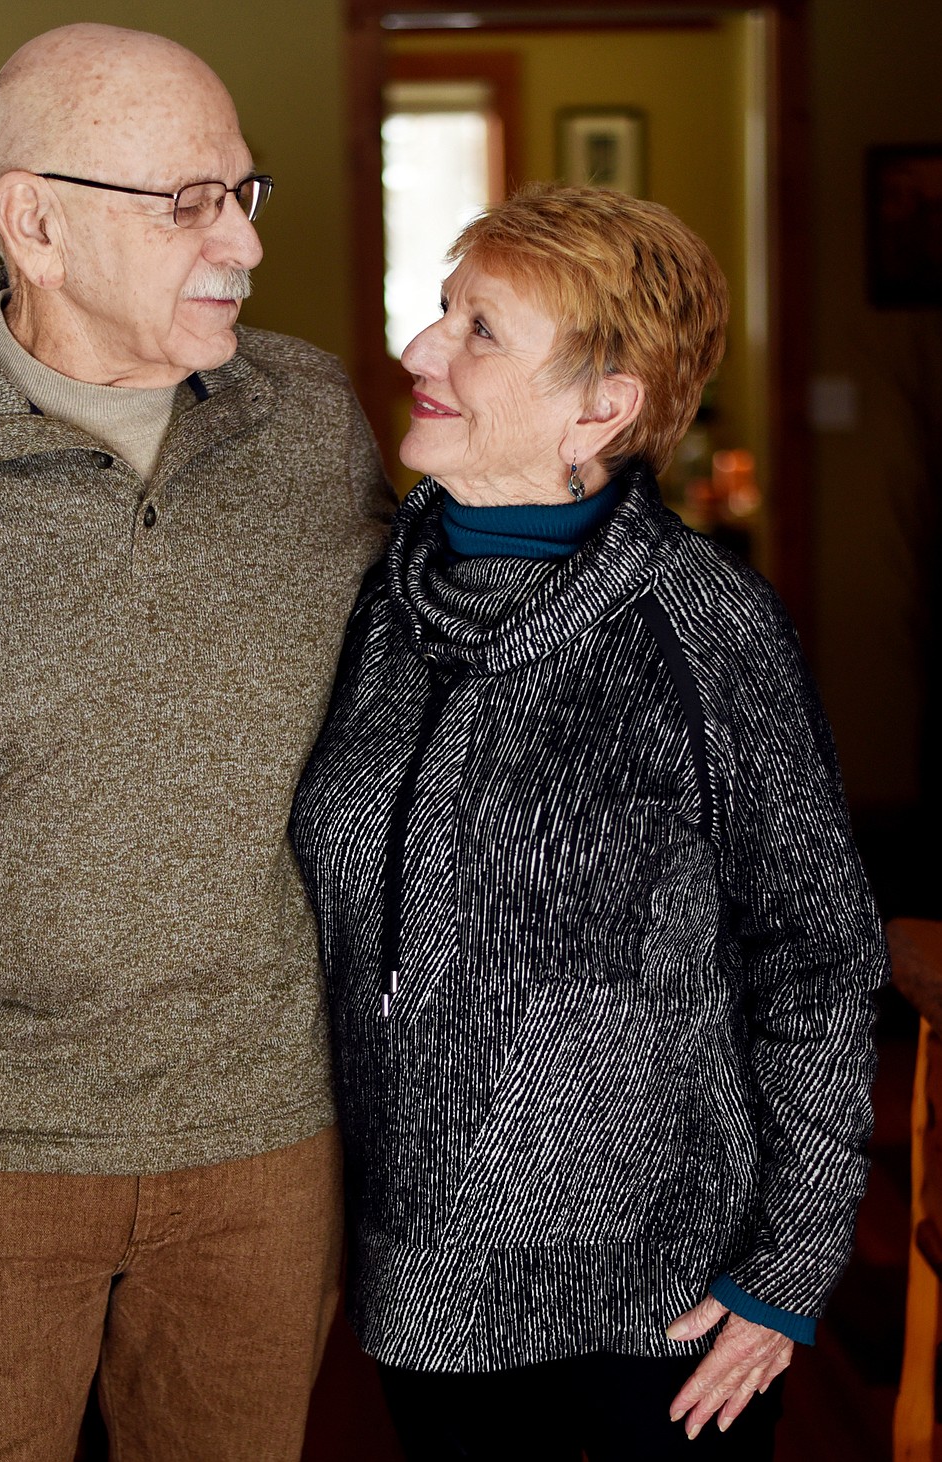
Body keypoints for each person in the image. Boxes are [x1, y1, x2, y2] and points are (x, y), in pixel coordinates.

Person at [0, 22, 389, 1462]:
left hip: (265, 1138)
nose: (237, 240)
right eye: (188, 200)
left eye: (245, 192)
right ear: (32, 223)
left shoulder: (311, 422)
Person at [291, 185, 887, 1460]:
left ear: (602, 407)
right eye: (442, 310)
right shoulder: (378, 603)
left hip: (652, 1317)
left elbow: (820, 952)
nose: (416, 350)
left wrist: (790, 1263)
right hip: (418, 1286)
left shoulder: (700, 628)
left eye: (479, 331)